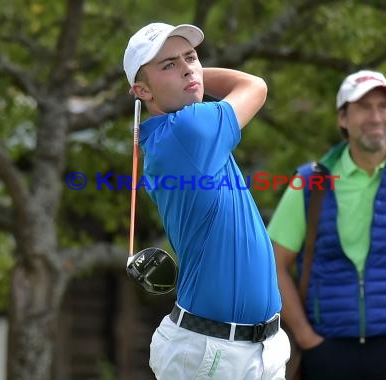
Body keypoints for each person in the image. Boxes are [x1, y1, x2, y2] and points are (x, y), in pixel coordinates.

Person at [122, 22, 290, 379]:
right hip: (212, 355)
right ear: (141, 91)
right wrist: (195, 75)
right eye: (169, 64)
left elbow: (199, 81)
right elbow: (253, 86)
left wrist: (181, 76)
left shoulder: (176, 135)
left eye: (191, 57)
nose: (186, 67)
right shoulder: (190, 130)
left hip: (259, 349)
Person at [268, 69, 386, 380]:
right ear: (343, 119)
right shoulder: (308, 181)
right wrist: (306, 338)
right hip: (325, 351)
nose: (376, 116)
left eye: (384, 107)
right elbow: (275, 266)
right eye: (364, 107)